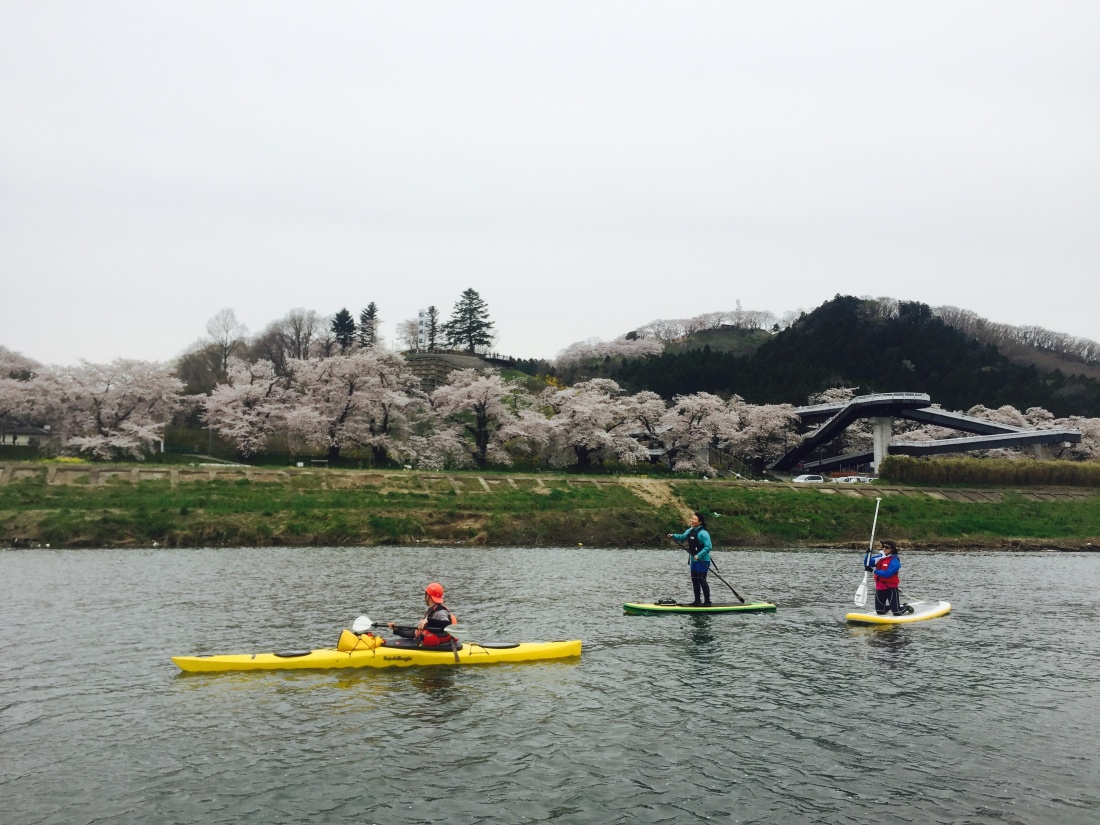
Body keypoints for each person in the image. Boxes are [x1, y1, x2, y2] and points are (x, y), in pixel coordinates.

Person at [387, 582, 458, 648]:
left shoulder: (439, 611)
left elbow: (446, 625)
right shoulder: (432, 610)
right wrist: (397, 629)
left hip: (441, 648)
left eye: (425, 594)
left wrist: (428, 621)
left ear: (428, 596)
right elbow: (415, 633)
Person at [668, 512, 713, 606]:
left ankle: (707, 602)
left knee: (702, 579)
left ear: (700, 522)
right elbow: (682, 537)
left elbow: (708, 547)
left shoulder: (704, 533)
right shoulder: (690, 530)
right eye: (692, 519)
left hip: (703, 560)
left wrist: (699, 555)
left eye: (694, 519)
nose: (692, 521)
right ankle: (697, 601)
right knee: (694, 580)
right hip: (693, 560)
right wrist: (673, 536)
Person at [870, 540, 914, 616]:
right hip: (880, 588)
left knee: (897, 613)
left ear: (892, 549)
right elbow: (867, 563)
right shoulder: (879, 558)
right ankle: (893, 606)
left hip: (891, 588)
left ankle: (906, 607)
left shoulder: (895, 561)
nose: (884, 549)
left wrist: (874, 571)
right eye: (883, 547)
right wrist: (868, 554)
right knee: (880, 611)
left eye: (886, 547)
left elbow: (887, 574)